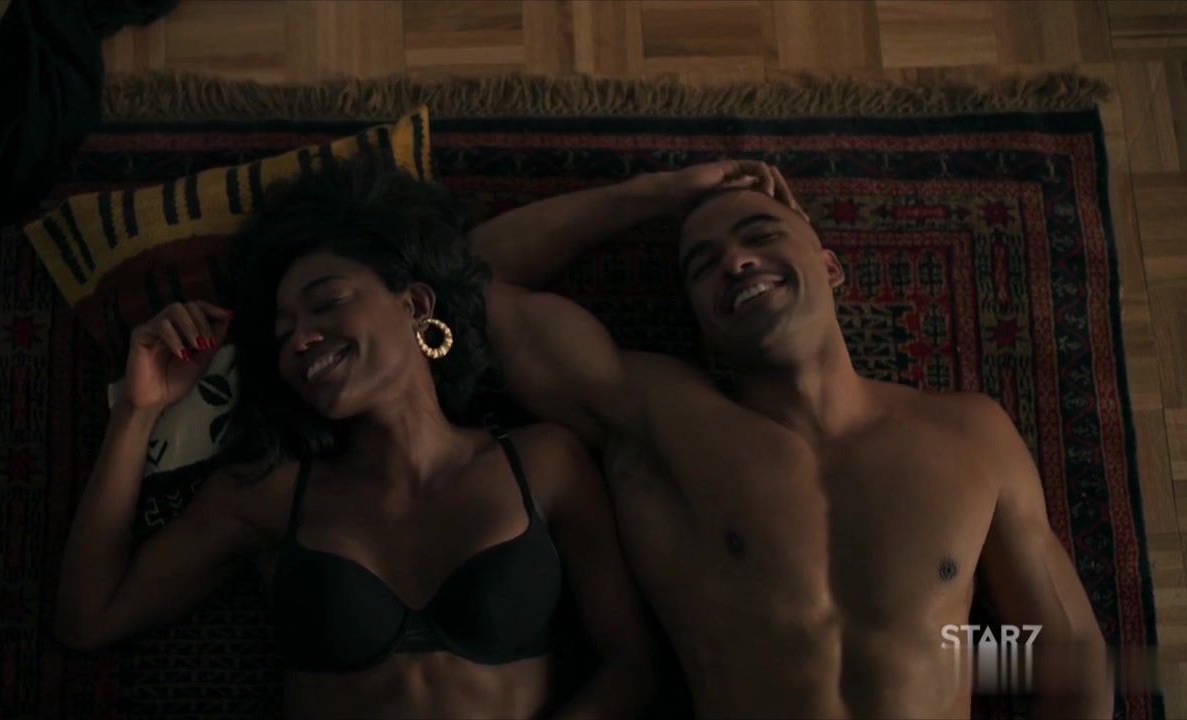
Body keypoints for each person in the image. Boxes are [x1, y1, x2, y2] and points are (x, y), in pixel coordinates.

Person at [467, 161, 1113, 719]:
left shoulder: (969, 434)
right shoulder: (657, 418)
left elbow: (1070, 658)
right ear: (701, 320)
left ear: (830, 268)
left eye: (761, 236)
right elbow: (466, 283)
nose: (735, 262)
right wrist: (657, 192)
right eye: (703, 266)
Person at [54, 156, 657, 720]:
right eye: (283, 332)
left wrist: (658, 191)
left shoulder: (545, 464)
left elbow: (632, 664)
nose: (302, 339)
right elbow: (89, 617)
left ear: (415, 304)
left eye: (327, 304)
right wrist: (138, 411)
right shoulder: (269, 495)